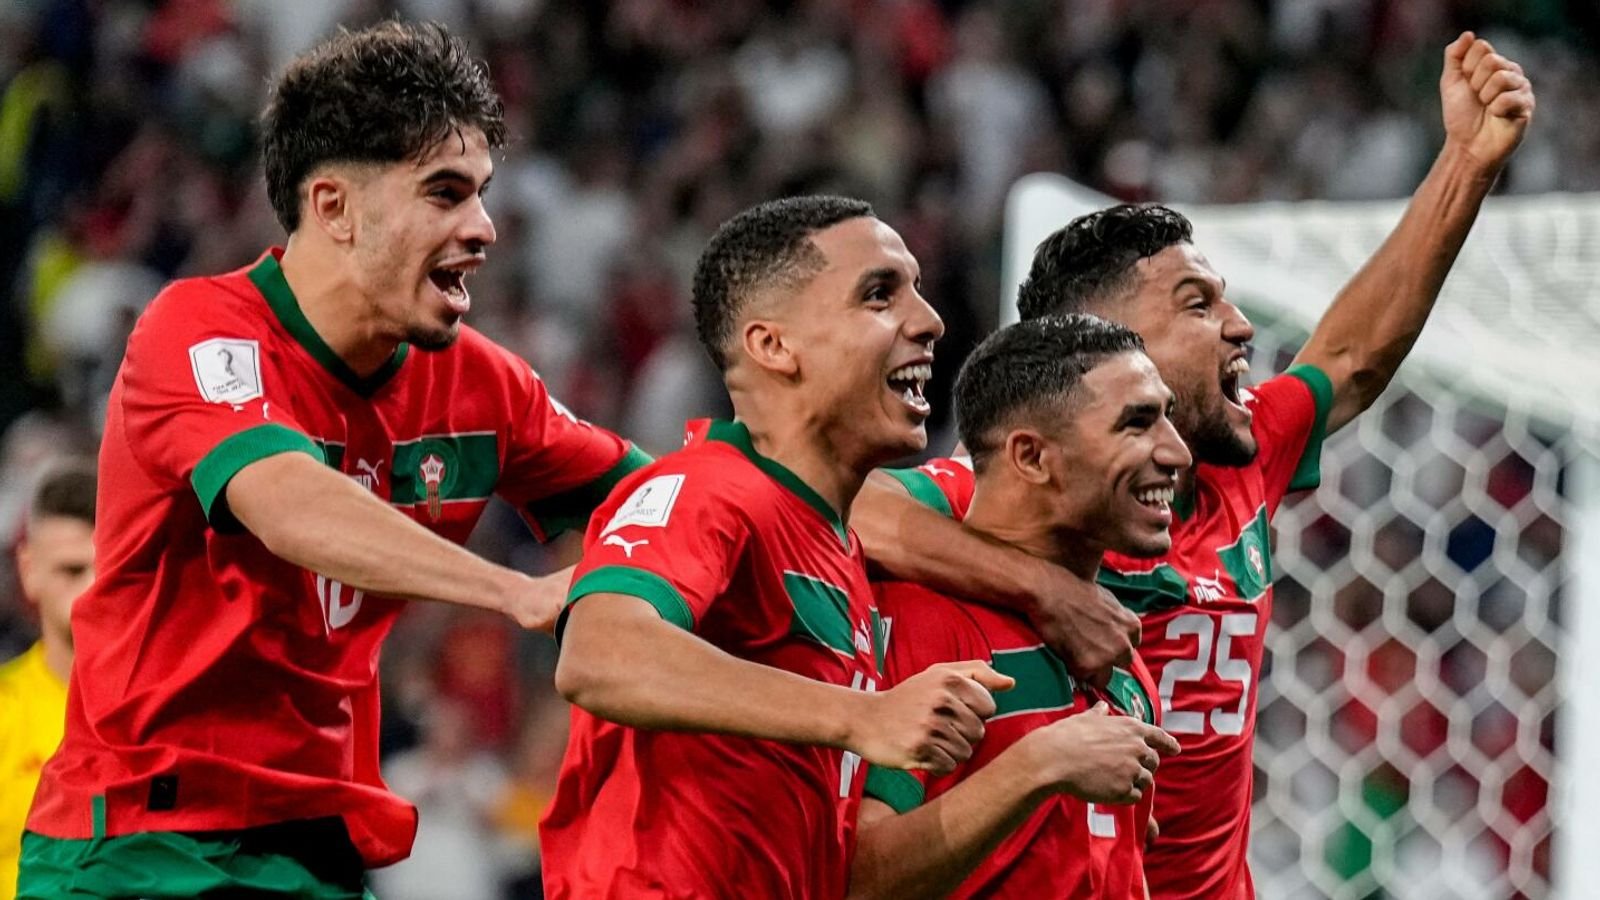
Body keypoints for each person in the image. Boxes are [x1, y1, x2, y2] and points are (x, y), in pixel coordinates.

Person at [852, 32, 1535, 900]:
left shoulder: (1240, 456)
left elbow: (1353, 355)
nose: (1242, 327)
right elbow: (863, 509)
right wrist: (1048, 592)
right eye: (1198, 304)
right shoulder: (1012, 491)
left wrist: (1467, 163)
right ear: (1111, 345)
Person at [19, 22, 650, 900]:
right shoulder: (196, 332)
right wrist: (511, 589)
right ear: (333, 208)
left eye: (483, 193)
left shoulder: (482, 387)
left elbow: (667, 500)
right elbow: (287, 502)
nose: (485, 227)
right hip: (137, 845)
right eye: (444, 192)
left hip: (311, 854)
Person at [541, 195, 1012, 899]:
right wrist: (864, 716)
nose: (929, 320)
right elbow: (599, 655)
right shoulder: (707, 487)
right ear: (773, 346)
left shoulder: (834, 549)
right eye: (880, 294)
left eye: (916, 289)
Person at [849, 315, 1185, 899]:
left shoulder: (1103, 636)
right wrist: (1037, 765)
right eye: (1137, 423)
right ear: (1030, 457)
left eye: (1167, 417)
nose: (1177, 452)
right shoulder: (925, 627)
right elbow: (859, 881)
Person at [0, 461, 95, 900]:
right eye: (73, 571)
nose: (93, 590)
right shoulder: (6, 711)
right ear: (29, 568)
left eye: (109, 569)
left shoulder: (170, 716)